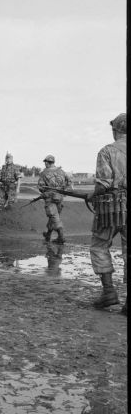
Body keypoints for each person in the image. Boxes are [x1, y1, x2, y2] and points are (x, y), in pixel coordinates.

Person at [87, 113, 128, 314]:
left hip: (110, 209)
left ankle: (109, 292)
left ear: (116, 130)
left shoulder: (107, 151)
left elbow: (103, 185)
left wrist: (90, 196)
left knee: (99, 246)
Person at [37, 154, 73, 244]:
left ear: (47, 163)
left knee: (54, 216)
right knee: (54, 216)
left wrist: (44, 192)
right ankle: (48, 234)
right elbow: (69, 183)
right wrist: (64, 191)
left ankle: (61, 236)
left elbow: (40, 187)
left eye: (45, 162)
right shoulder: (62, 171)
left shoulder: (44, 173)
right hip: (60, 197)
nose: (45, 164)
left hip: (50, 198)